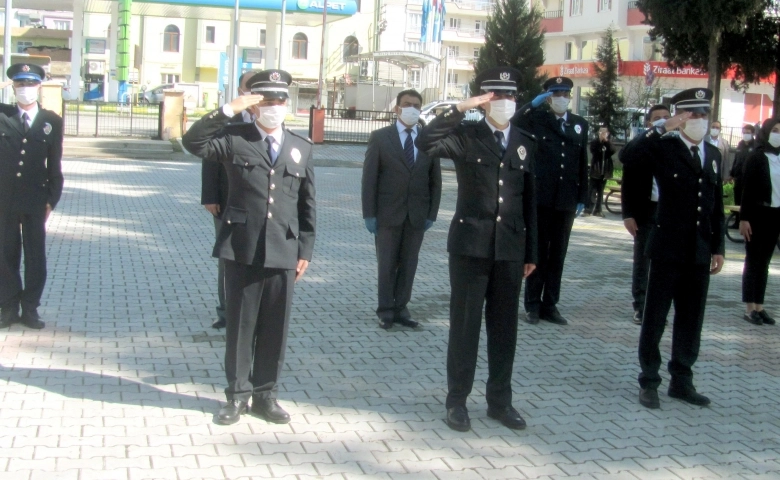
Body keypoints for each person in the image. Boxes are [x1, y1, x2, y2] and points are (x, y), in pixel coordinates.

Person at [182, 69, 316, 425]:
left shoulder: (300, 147)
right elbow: (192, 143)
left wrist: (305, 250)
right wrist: (228, 109)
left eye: (280, 100)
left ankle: (265, 395)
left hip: (284, 249)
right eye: (267, 101)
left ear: (289, 104)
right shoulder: (233, 138)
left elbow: (307, 204)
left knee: (276, 326)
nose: (275, 107)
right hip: (241, 246)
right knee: (241, 325)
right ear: (254, 106)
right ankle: (237, 395)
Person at [416, 67, 538, 432]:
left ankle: (500, 402)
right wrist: (457, 108)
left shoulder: (524, 140)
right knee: (465, 328)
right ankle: (457, 402)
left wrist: (531, 252)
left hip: (510, 249)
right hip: (471, 248)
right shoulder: (466, 135)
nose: (506, 102)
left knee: (504, 330)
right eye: (497, 96)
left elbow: (529, 199)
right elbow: (425, 142)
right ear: (484, 100)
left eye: (511, 96)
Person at [621, 88, 725, 409]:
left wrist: (718, 247)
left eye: (703, 114)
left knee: (691, 318)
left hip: (699, 250)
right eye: (692, 114)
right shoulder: (663, 148)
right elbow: (628, 156)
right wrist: (661, 127)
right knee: (656, 316)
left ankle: (682, 379)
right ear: (680, 117)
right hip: (667, 247)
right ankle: (649, 379)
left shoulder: (714, 153)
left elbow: (716, 204)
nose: (699, 120)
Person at [362, 89, 442, 330]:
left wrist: (432, 213)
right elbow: (369, 179)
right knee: (386, 264)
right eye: (407, 104)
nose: (412, 109)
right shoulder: (380, 137)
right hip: (387, 214)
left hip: (417, 214)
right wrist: (369, 213)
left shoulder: (428, 138)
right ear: (397, 109)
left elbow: (435, 180)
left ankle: (401, 308)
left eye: (417, 105)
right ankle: (385, 310)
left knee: (409, 264)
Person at [512, 76, 588, 326]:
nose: (562, 98)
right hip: (541, 198)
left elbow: (581, 164)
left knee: (558, 255)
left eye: (565, 93)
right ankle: (532, 304)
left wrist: (583, 196)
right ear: (548, 97)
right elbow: (514, 122)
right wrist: (532, 105)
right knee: (538, 252)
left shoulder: (579, 124)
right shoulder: (538, 120)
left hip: (566, 199)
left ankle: (550, 305)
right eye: (556, 94)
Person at [0, 64, 64, 329]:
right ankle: (8, 306)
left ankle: (30, 308)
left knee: (35, 255)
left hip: (36, 200)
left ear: (39, 87)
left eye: (30, 84)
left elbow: (54, 164)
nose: (25, 89)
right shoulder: (2, 115)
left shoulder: (52, 121)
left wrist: (52, 198)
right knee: (5, 253)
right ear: (12, 87)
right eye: (19, 84)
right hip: (4, 199)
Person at [201, 70, 257, 330]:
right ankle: (225, 311)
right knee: (228, 257)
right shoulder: (227, 120)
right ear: (240, 90)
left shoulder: (268, 119)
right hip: (225, 200)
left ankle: (252, 310)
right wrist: (210, 195)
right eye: (249, 87)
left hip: (257, 203)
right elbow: (210, 157)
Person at [621, 104, 670, 325]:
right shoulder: (640, 146)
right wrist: (628, 213)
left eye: (666, 117)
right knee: (643, 260)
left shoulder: (677, 145)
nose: (662, 121)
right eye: (657, 118)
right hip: (646, 210)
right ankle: (640, 305)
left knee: (667, 262)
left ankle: (659, 306)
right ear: (649, 123)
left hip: (671, 211)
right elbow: (628, 176)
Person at [738, 118, 780, 326]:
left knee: (764, 263)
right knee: (753, 261)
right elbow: (748, 189)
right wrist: (744, 218)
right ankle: (749, 308)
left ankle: (759, 306)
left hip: (775, 214)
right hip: (757, 214)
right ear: (766, 132)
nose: (778, 134)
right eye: (775, 130)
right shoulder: (756, 157)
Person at [729, 124, 756, 227]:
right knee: (737, 199)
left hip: (749, 178)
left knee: (746, 200)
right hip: (738, 177)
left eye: (748, 133)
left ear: (753, 133)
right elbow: (736, 160)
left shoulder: (755, 146)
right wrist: (732, 174)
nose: (745, 135)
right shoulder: (740, 144)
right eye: (744, 132)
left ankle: (747, 221)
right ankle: (737, 221)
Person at [586, 126, 615, 217]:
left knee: (601, 191)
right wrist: (600, 141)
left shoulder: (609, 143)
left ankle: (598, 210)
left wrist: (606, 141)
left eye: (604, 132)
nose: (602, 134)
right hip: (596, 170)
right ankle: (588, 210)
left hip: (604, 171)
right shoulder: (594, 142)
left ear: (607, 133)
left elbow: (612, 151)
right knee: (592, 191)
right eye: (601, 132)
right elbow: (593, 151)